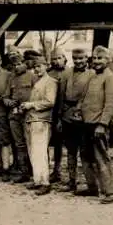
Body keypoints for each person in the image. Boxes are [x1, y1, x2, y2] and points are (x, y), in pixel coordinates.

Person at [76, 46, 113, 204]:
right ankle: (92, 187)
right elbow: (84, 97)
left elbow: (111, 103)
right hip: (86, 123)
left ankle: (110, 192)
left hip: (98, 125)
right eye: (94, 58)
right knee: (86, 156)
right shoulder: (93, 77)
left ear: (108, 60)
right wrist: (79, 110)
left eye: (100, 58)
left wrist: (102, 124)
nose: (96, 61)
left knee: (101, 158)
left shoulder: (110, 78)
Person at [57, 48, 95, 193]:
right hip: (67, 115)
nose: (78, 61)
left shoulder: (92, 74)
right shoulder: (66, 73)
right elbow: (60, 96)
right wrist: (60, 117)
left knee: (85, 151)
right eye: (75, 58)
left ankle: (90, 183)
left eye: (81, 58)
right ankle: (71, 181)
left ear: (87, 59)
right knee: (71, 150)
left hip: (84, 117)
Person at [20, 56, 57, 195]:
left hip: (42, 120)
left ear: (46, 66)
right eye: (35, 67)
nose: (37, 69)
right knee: (33, 151)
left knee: (40, 152)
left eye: (40, 66)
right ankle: (37, 180)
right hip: (31, 119)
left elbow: (50, 101)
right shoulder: (37, 81)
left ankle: (45, 182)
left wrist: (31, 105)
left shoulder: (50, 82)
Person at [3, 54, 37, 183]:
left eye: (19, 64)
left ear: (24, 63)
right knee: (19, 144)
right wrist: (8, 102)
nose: (17, 67)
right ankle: (24, 172)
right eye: (14, 65)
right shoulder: (11, 78)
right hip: (14, 115)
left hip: (28, 114)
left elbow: (37, 95)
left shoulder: (33, 77)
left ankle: (35, 170)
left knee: (31, 143)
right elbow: (6, 96)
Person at [47, 48, 67, 183]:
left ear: (64, 58)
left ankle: (59, 169)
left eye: (59, 58)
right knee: (48, 143)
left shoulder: (69, 73)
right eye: (54, 58)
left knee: (62, 143)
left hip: (64, 112)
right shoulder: (47, 74)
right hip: (49, 112)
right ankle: (48, 169)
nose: (56, 61)